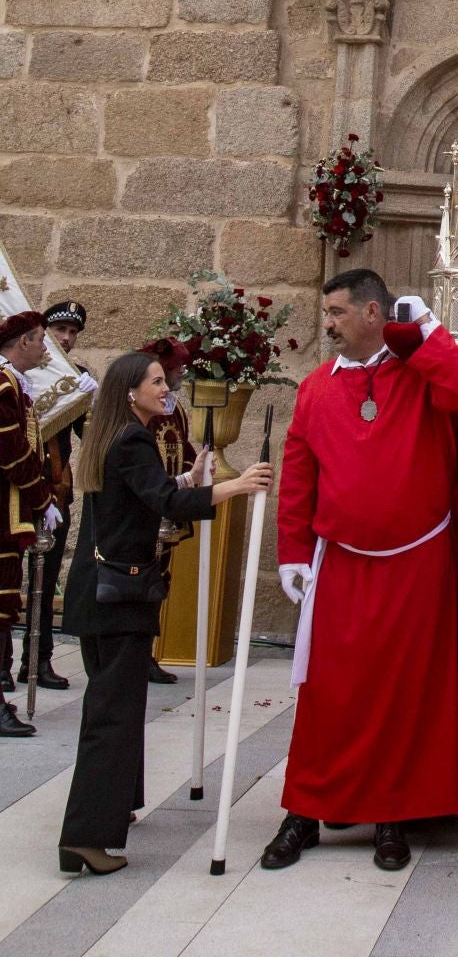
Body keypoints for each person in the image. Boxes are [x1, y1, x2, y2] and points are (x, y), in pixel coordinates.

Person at [264, 271, 458, 874]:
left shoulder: (422, 374)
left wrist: (429, 333)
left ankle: (394, 813)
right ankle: (305, 811)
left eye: (336, 312)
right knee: (330, 693)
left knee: (405, 691)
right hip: (343, 562)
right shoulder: (314, 389)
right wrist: (291, 552)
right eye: (325, 312)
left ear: (372, 312)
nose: (327, 324)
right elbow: (299, 477)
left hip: (417, 559)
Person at [58, 348, 270, 872]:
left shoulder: (119, 436)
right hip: (117, 598)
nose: (165, 386)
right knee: (114, 716)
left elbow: (144, 498)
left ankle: (116, 808)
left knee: (115, 706)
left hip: (101, 592)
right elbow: (168, 507)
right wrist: (234, 486)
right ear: (131, 390)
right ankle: (86, 838)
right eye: (156, 381)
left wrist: (188, 478)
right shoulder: (131, 438)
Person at [15, 301, 95, 694]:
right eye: (59, 330)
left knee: (44, 583)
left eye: (72, 333)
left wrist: (91, 403)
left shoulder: (74, 378)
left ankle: (39, 659)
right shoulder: (17, 376)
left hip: (54, 490)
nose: (66, 338)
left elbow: (90, 437)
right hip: (16, 489)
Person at [0, 312, 59, 737]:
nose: (45, 348)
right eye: (41, 340)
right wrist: (43, 498)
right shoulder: (3, 386)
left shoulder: (14, 386)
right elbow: (14, 454)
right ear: (23, 341)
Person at [136, 335, 196, 685]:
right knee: (143, 582)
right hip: (149, 508)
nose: (180, 374)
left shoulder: (175, 409)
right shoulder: (145, 415)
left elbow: (183, 447)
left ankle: (149, 653)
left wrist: (192, 470)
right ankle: (138, 653)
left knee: (160, 581)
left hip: (169, 506)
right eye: (175, 369)